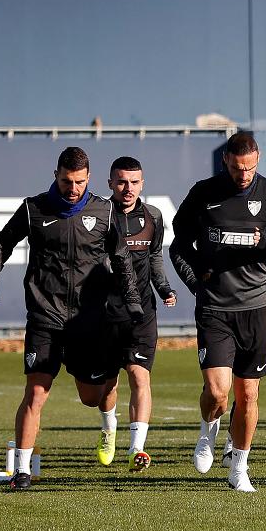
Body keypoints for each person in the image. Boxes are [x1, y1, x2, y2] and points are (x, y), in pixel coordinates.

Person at [0, 147, 141, 490]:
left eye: (80, 182)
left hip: (88, 321)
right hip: (45, 316)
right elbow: (0, 243)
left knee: (91, 396)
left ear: (89, 178)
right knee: (36, 391)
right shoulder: (34, 209)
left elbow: (122, 258)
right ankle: (21, 470)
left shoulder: (105, 210)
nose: (73, 188)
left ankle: (108, 422)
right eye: (67, 181)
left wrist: (131, 300)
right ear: (56, 175)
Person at [170, 132, 266, 492]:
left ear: (258, 159)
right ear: (226, 160)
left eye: (250, 168)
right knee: (219, 392)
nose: (244, 175)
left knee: (249, 394)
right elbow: (179, 244)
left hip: (254, 308)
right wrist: (196, 282)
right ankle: (208, 431)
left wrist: (263, 249)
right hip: (215, 307)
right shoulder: (204, 193)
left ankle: (239, 466)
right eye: (238, 168)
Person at [97, 156, 178, 472]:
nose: (127, 188)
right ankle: (108, 430)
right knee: (107, 386)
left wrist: (164, 288)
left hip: (142, 311)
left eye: (133, 182)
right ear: (110, 184)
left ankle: (137, 449)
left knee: (139, 375)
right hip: (104, 314)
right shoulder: (99, 216)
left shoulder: (154, 216)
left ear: (142, 183)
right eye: (121, 182)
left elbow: (156, 257)